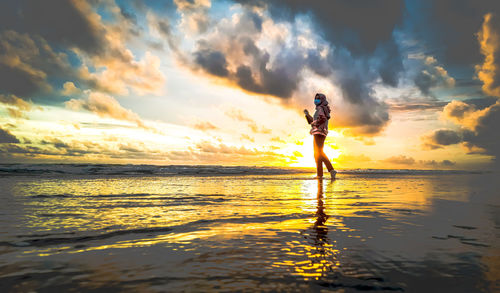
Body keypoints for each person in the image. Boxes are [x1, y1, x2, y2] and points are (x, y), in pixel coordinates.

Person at [304, 93, 337, 179]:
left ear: (322, 99)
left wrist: (315, 124)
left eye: (318, 98)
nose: (316, 100)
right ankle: (320, 175)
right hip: (321, 132)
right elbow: (312, 122)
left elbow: (322, 119)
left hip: (319, 132)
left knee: (318, 153)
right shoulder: (323, 108)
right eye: (315, 98)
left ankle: (331, 170)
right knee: (317, 153)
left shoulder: (320, 108)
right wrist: (307, 115)